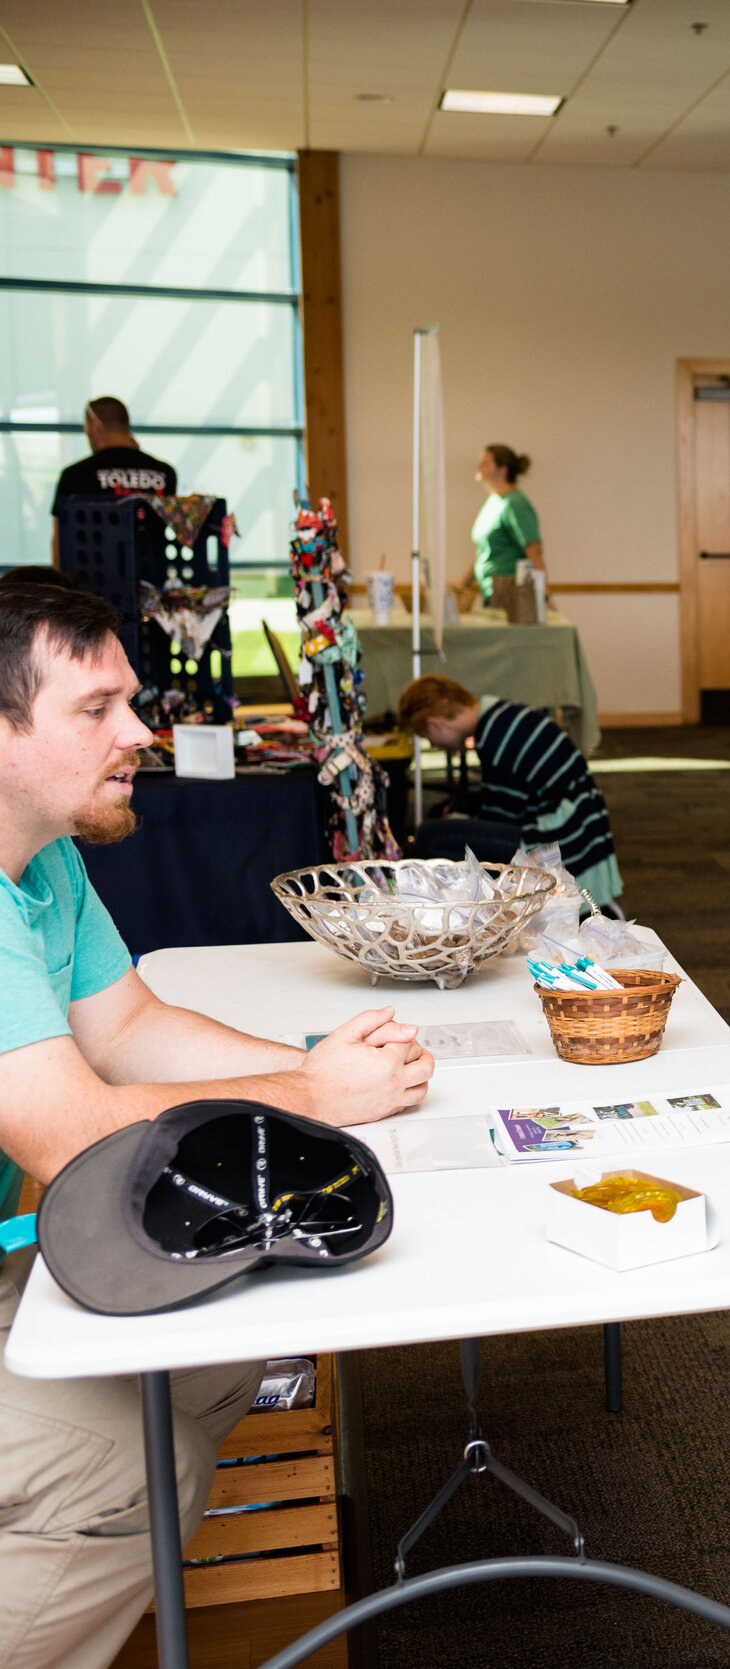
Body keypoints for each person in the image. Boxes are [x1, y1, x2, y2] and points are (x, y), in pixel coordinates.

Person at [0, 582, 434, 1669]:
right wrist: (313, 1100)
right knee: (144, 1467)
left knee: (221, 1357)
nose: (142, 733)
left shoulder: (42, 859)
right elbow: (75, 1137)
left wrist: (322, 1069)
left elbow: (131, 1025)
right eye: (96, 710)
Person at [396, 675, 620, 909]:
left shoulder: (494, 734)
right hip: (578, 818)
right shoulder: (503, 714)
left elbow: (500, 815)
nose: (433, 745)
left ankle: (481, 907)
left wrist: (461, 819)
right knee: (451, 825)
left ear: (436, 724)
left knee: (431, 835)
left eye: (427, 737)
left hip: (557, 828)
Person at [48, 398, 176, 562]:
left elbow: (60, 541)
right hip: (151, 573)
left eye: (86, 430)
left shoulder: (75, 475)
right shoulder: (165, 473)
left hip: (92, 576)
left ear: (96, 425)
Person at [472, 444, 543, 605]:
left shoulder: (515, 503)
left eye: (485, 463)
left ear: (502, 469)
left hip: (509, 594)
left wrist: (542, 595)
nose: (478, 467)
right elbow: (486, 552)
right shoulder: (493, 502)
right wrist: (460, 586)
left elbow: (533, 549)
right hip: (490, 592)